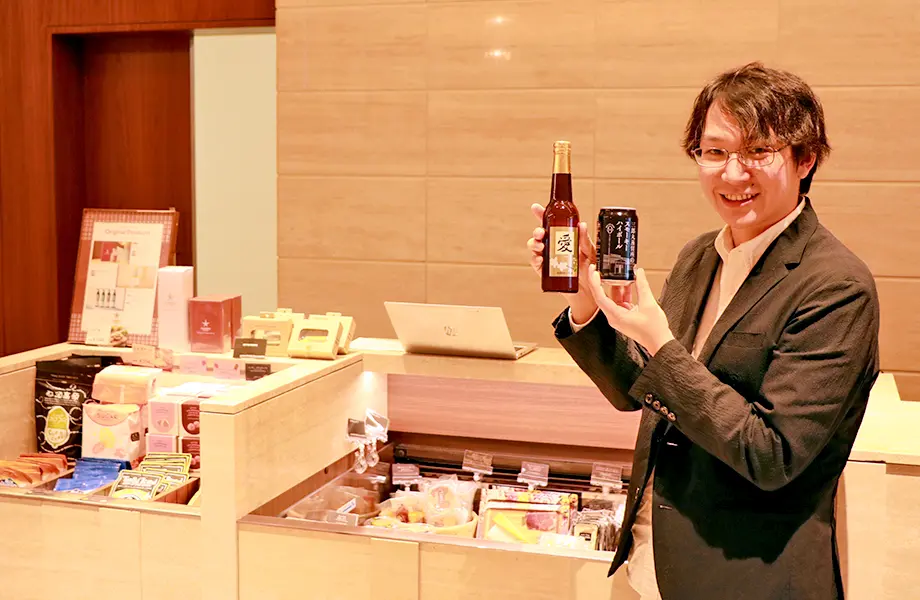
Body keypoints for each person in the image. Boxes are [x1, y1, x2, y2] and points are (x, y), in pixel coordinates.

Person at [526, 62, 879, 600]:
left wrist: (659, 343)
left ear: (805, 159)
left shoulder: (836, 286)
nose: (732, 174)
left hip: (749, 579)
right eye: (715, 152)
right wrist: (584, 293)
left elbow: (772, 454)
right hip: (652, 565)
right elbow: (637, 390)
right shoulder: (699, 257)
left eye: (757, 151)